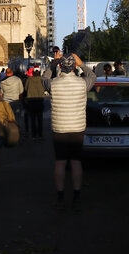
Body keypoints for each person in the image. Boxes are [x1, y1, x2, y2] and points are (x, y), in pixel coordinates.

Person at [48, 53, 96, 211]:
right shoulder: (83, 84)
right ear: (74, 67)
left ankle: (60, 195)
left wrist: (53, 63)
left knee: (60, 162)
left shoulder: (53, 84)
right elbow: (92, 75)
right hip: (77, 128)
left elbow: (44, 77)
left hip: (59, 128)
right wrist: (81, 63)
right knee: (76, 162)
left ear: (61, 66)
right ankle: (76, 195)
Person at [23, 67, 46, 141]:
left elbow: (25, 89)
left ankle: (34, 135)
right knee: (40, 119)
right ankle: (40, 135)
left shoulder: (29, 79)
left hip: (31, 101)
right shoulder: (42, 79)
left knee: (33, 119)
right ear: (39, 72)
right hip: (40, 100)